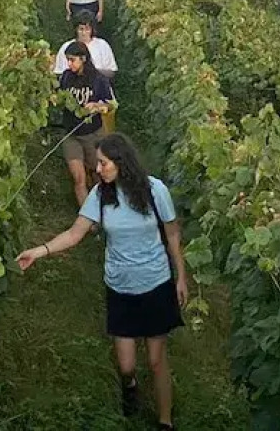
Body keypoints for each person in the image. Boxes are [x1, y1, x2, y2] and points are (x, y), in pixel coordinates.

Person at [17, 133, 188, 430]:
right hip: (120, 287)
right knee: (126, 366)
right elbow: (74, 233)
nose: (98, 170)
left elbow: (172, 234)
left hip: (156, 283)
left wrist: (181, 277)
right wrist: (40, 251)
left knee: (158, 361)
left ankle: (165, 421)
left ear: (121, 163)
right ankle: (130, 385)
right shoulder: (100, 196)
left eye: (103, 163)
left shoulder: (154, 190)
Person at [55, 40, 114, 204]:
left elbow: (111, 105)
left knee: (99, 175)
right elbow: (59, 97)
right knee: (79, 179)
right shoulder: (66, 77)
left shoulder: (99, 80)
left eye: (72, 60)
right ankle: (88, 220)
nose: (69, 64)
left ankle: (104, 209)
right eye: (68, 60)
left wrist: (97, 106)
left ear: (83, 59)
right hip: (71, 134)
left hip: (93, 134)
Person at [53, 12, 117, 79]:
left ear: (92, 29)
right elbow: (59, 73)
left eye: (87, 29)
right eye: (81, 29)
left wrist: (92, 72)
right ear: (76, 29)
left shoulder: (102, 45)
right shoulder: (66, 47)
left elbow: (112, 72)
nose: (84, 33)